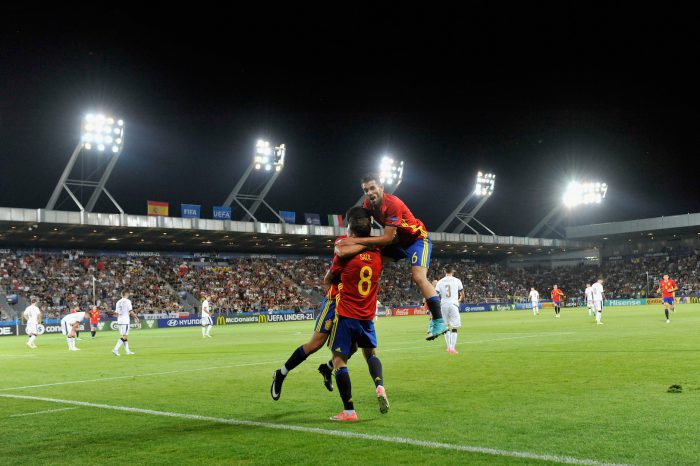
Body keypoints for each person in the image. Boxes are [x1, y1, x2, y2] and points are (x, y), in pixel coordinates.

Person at [337, 174, 446, 340]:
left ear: (381, 187)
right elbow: (365, 227)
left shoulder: (393, 203)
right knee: (371, 260)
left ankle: (439, 320)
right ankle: (363, 307)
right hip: (399, 241)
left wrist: (355, 241)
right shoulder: (367, 204)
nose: (369, 192)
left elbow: (387, 238)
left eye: (372, 188)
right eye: (366, 190)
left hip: (417, 239)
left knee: (418, 276)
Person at [271, 236, 350, 401]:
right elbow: (328, 276)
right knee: (315, 344)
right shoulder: (345, 246)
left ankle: (327, 368)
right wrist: (334, 294)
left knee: (353, 345)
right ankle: (281, 374)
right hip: (334, 303)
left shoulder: (366, 249)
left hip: (351, 304)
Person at [327, 206, 387, 421]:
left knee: (339, 361)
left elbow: (330, 279)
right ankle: (379, 386)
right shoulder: (378, 253)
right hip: (367, 315)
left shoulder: (344, 253)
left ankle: (349, 411)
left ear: (350, 228)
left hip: (347, 314)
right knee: (371, 354)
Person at [435, 268, 464, 354]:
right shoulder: (457, 280)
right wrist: (459, 300)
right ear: (453, 271)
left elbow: (436, 294)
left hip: (444, 305)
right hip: (453, 305)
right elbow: (462, 294)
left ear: (444, 271)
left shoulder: (440, 282)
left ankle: (448, 347)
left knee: (445, 326)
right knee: (454, 327)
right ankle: (452, 347)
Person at [112, 290, 140, 356]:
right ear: (127, 294)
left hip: (119, 321)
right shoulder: (128, 301)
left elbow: (116, 313)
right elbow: (130, 311)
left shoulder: (118, 302)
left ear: (121, 295)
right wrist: (136, 318)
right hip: (125, 321)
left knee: (124, 337)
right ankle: (115, 349)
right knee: (125, 336)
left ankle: (127, 351)